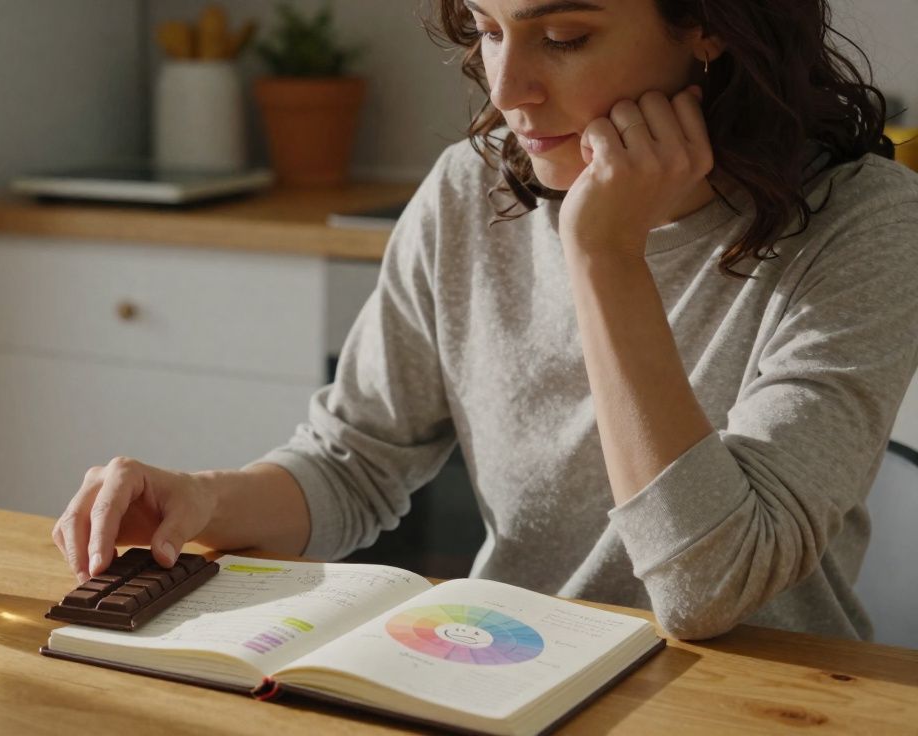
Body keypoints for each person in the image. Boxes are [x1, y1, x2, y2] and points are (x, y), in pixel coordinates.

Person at [51, 0, 918, 641]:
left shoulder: (865, 224)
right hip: (510, 677)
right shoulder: (468, 189)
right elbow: (353, 465)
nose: (507, 92)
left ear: (708, 26)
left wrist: (603, 256)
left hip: (762, 704)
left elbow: (710, 589)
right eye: (487, 29)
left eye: (563, 38)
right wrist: (204, 497)